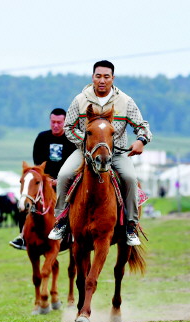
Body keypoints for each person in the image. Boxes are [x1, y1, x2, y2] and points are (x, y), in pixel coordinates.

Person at [48, 60, 152, 246]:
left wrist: (140, 141)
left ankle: (131, 226)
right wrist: (88, 142)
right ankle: (61, 220)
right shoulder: (80, 100)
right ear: (92, 78)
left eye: (106, 76)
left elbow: (142, 127)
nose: (102, 80)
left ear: (113, 78)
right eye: (98, 76)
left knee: (129, 178)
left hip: (117, 153)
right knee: (63, 175)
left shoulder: (125, 101)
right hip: (85, 152)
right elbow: (69, 127)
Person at [9, 108, 76, 250]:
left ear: (65, 122)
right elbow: (38, 162)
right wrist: (47, 180)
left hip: (65, 183)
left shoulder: (71, 140)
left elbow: (74, 164)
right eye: (53, 122)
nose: (56, 125)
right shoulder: (42, 137)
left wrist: (60, 180)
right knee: (24, 202)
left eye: (59, 122)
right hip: (43, 183)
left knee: (75, 203)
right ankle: (22, 236)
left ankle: (74, 234)